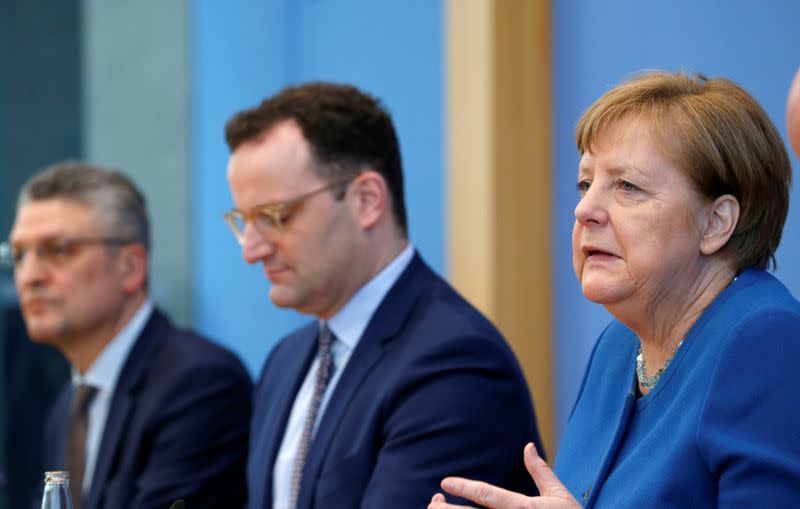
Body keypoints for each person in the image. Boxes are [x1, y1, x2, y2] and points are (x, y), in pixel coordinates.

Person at [429, 70, 800, 508]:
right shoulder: (619, 344)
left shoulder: (769, 341)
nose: (584, 209)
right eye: (586, 184)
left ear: (715, 223)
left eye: (627, 186)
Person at [224, 82, 543, 509]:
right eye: (244, 221)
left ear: (367, 200)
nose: (251, 250)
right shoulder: (286, 360)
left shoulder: (455, 363)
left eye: (274, 216)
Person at [3, 162, 252, 509]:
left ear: (130, 266)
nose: (29, 276)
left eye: (58, 250)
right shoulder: (67, 406)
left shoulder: (198, 384)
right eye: (18, 254)